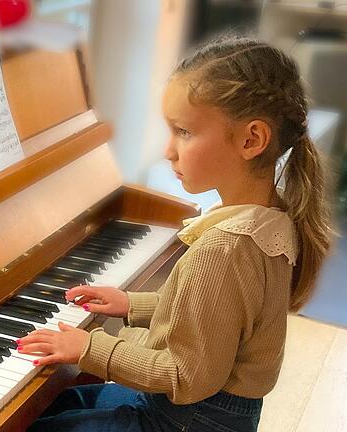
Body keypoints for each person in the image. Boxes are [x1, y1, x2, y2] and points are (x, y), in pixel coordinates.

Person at [18, 35, 332, 432]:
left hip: (188, 418)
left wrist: (89, 348)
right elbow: (214, 317)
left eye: (183, 131)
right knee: (68, 400)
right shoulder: (267, 217)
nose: (168, 150)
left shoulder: (225, 248)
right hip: (209, 412)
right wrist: (132, 304)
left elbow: (187, 376)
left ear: (251, 140)